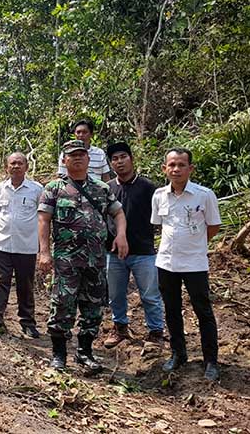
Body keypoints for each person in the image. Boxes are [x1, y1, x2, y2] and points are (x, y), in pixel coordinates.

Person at [38, 140, 128, 373]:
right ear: (64, 161)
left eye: (81, 154)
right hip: (66, 260)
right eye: (72, 155)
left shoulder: (102, 188)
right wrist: (45, 252)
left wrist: (121, 236)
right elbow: (44, 221)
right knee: (62, 304)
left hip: (95, 260)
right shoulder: (53, 189)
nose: (77, 158)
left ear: (88, 159)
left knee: (93, 307)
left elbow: (118, 213)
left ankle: (85, 353)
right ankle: (59, 355)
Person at [152, 148, 222, 381]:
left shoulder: (204, 195)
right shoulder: (159, 195)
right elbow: (160, 225)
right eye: (172, 165)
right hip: (166, 262)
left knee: (203, 311)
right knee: (171, 310)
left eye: (181, 165)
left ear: (190, 168)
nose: (176, 169)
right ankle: (178, 354)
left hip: (195, 263)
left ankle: (211, 361)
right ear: (165, 169)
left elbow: (212, 226)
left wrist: (195, 245)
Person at [103, 142, 164, 348]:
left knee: (149, 294)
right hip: (113, 252)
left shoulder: (149, 188)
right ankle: (120, 328)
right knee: (116, 294)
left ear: (131, 158)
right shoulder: (108, 189)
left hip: (143, 251)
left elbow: (159, 219)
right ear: (110, 164)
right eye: (115, 159)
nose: (119, 162)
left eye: (123, 157)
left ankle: (156, 332)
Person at [0, 152, 42, 338]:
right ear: (6, 167)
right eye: (12, 163)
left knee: (25, 284)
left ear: (26, 167)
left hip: (27, 246)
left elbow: (42, 217)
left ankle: (27, 322)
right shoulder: (0, 189)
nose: (16, 166)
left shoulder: (36, 189)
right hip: (3, 244)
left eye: (20, 163)